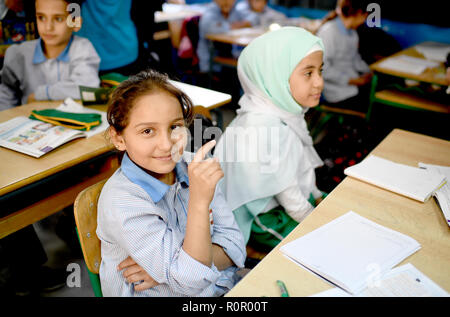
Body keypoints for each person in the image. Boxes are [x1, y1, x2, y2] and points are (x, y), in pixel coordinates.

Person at [97, 69, 246, 296]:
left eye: (174, 126)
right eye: (148, 131)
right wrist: (199, 201)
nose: (167, 145)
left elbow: (235, 246)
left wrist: (171, 271)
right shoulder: (122, 201)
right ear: (119, 138)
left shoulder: (193, 167)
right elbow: (190, 281)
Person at [213, 27, 326, 253]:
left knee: (336, 211)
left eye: (320, 71)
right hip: (261, 218)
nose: (319, 83)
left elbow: (300, 167)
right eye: (308, 73)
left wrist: (316, 196)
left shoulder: (285, 111)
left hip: (286, 203)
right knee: (319, 244)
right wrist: (314, 220)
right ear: (276, 76)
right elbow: (286, 189)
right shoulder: (263, 126)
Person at [0, 0, 100, 110]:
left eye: (58, 19)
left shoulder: (83, 48)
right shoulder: (18, 54)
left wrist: (41, 94)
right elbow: (5, 98)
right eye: (41, 18)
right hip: (27, 122)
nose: (48, 28)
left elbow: (87, 87)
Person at [315, 0, 372, 112]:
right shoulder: (329, 32)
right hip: (336, 92)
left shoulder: (352, 33)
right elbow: (322, 69)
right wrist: (352, 81)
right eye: (366, 17)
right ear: (361, 13)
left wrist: (369, 71)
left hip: (351, 86)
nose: (364, 21)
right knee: (374, 106)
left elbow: (355, 59)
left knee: (376, 92)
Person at [196, 0, 253, 74]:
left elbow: (253, 18)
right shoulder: (210, 11)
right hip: (211, 65)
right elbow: (210, 28)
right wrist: (233, 26)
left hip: (230, 59)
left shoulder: (234, 11)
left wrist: (241, 24)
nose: (227, 2)